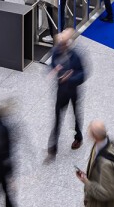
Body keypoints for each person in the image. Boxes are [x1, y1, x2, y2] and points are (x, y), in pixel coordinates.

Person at [47, 28, 87, 157]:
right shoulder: (56, 50)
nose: (61, 45)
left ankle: (78, 136)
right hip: (61, 90)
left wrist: (70, 78)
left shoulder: (76, 54)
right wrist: (55, 69)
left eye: (63, 42)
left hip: (73, 89)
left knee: (75, 113)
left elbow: (83, 73)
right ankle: (53, 143)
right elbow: (53, 64)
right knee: (58, 116)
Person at [76, 120, 114, 207]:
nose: (88, 133)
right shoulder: (100, 144)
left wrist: (86, 182)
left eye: (89, 131)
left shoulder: (106, 164)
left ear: (95, 136)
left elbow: (107, 193)